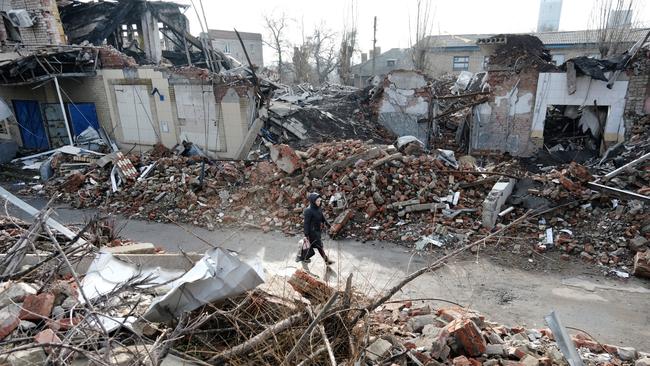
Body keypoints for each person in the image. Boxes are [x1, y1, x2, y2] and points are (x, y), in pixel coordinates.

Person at [297, 192, 334, 270]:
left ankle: (303, 258)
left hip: (317, 231)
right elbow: (306, 223)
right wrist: (306, 235)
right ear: (313, 201)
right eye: (317, 201)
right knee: (318, 247)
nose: (319, 202)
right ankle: (327, 261)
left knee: (310, 247)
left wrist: (328, 225)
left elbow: (322, 217)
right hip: (311, 233)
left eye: (320, 201)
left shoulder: (318, 208)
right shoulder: (308, 211)